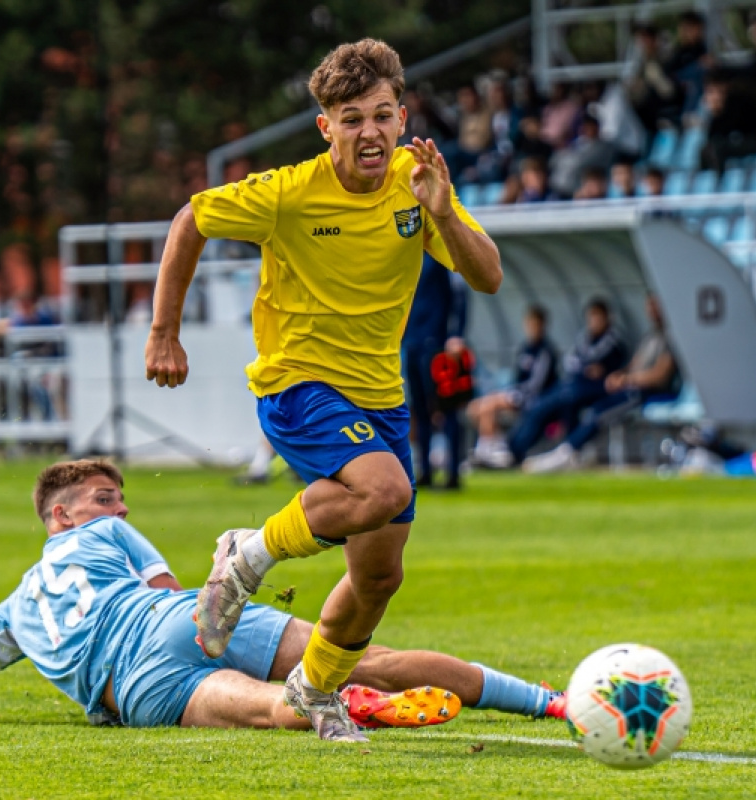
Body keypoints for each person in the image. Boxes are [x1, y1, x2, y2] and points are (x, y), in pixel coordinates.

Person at [144, 39, 503, 743]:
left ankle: (313, 689)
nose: (369, 131)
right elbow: (190, 221)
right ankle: (247, 555)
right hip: (297, 383)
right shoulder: (287, 193)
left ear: (401, 118)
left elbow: (488, 276)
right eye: (350, 118)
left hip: (379, 398)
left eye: (381, 115)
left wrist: (446, 212)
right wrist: (164, 332)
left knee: (377, 581)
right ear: (325, 127)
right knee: (386, 490)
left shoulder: (417, 180)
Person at [0, 460, 566, 730]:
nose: (120, 507)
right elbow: (176, 594)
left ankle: (346, 705)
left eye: (118, 498)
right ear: (60, 514)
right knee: (374, 658)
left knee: (278, 710)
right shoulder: (108, 533)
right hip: (174, 618)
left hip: (139, 685)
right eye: (103, 497)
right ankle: (547, 701)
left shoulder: (12, 609)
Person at [523, 295, 680, 473]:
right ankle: (571, 451)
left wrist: (627, 380)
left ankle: (566, 453)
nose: (651, 310)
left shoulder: (670, 337)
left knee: (597, 412)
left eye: (655, 305)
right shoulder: (650, 336)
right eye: (650, 305)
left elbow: (661, 376)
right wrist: (619, 376)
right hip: (631, 388)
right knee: (575, 400)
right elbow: (633, 366)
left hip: (647, 393)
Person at [483, 298, 627, 468]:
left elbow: (593, 364)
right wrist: (586, 368)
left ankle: (561, 451)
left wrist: (587, 368)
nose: (593, 322)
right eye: (591, 317)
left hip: (595, 390)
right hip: (574, 387)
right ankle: (512, 450)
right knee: (540, 407)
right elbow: (572, 362)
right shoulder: (583, 338)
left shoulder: (612, 341)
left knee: (554, 402)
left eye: (597, 317)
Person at [402, 253, 469, 490]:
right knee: (419, 411)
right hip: (411, 343)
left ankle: (453, 473)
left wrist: (456, 333)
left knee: (446, 409)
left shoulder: (440, 255)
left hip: (437, 344)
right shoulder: (406, 256)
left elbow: (461, 294)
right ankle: (425, 471)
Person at [469, 305, 558, 468]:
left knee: (489, 405)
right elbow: (518, 377)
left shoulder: (546, 351)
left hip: (534, 399)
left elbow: (536, 384)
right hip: (518, 392)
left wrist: (513, 393)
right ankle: (495, 448)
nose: (532, 329)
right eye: (530, 324)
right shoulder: (525, 348)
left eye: (535, 325)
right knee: (475, 408)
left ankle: (489, 451)